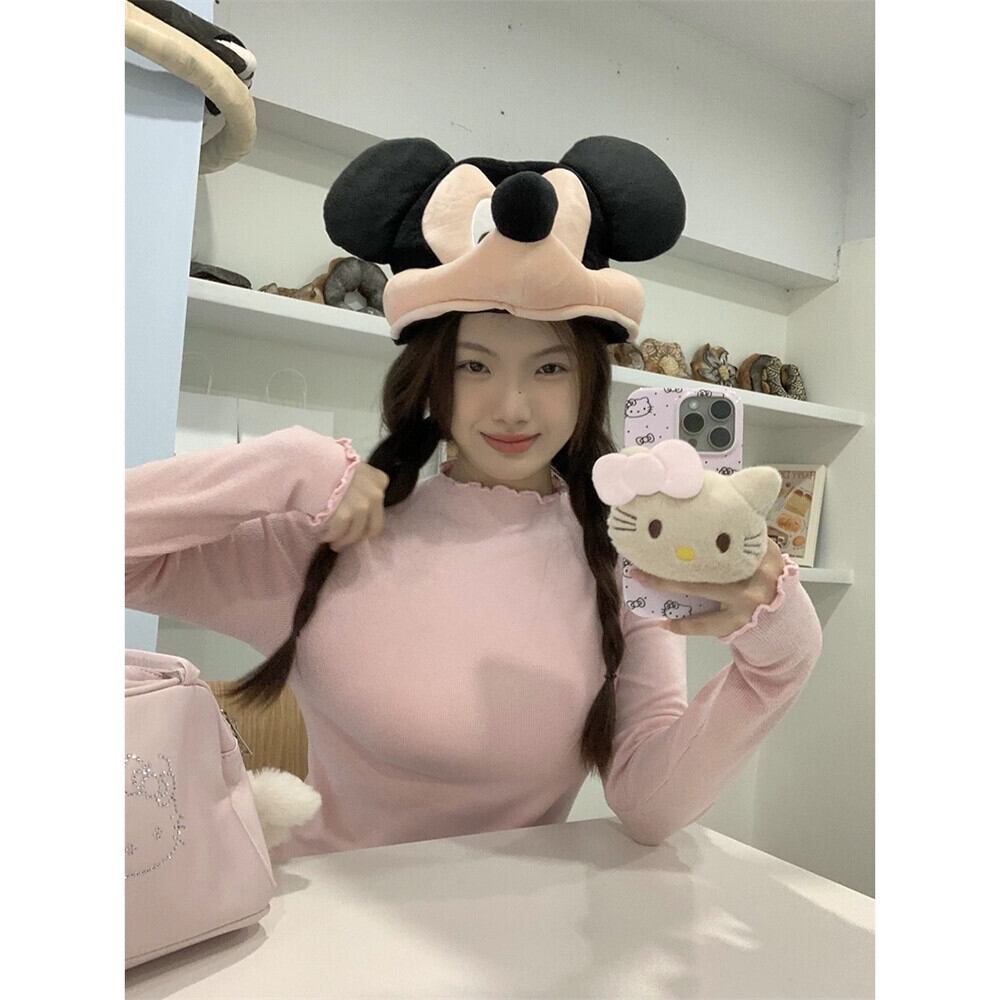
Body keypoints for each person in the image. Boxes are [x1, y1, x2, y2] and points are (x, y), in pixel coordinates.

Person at [125, 135, 822, 860]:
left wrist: (779, 657)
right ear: (431, 376)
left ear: (588, 382)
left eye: (549, 367)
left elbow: (650, 804)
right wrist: (289, 464)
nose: (512, 407)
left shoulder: (621, 562)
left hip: (525, 924)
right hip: (329, 912)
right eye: (474, 366)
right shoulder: (332, 536)